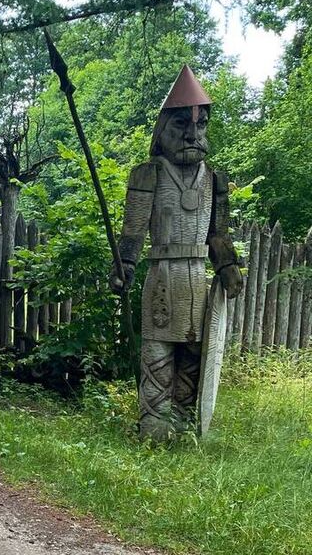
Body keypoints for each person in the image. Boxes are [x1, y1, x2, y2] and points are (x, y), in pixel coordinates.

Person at [110, 65, 243, 441]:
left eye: (201, 125)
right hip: (163, 282)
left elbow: (218, 235)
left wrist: (228, 265)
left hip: (198, 283)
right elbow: (133, 231)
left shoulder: (214, 180)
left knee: (193, 361)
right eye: (182, 124)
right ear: (163, 129)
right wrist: (124, 265)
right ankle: (154, 428)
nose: (192, 134)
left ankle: (182, 428)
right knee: (157, 356)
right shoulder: (147, 175)